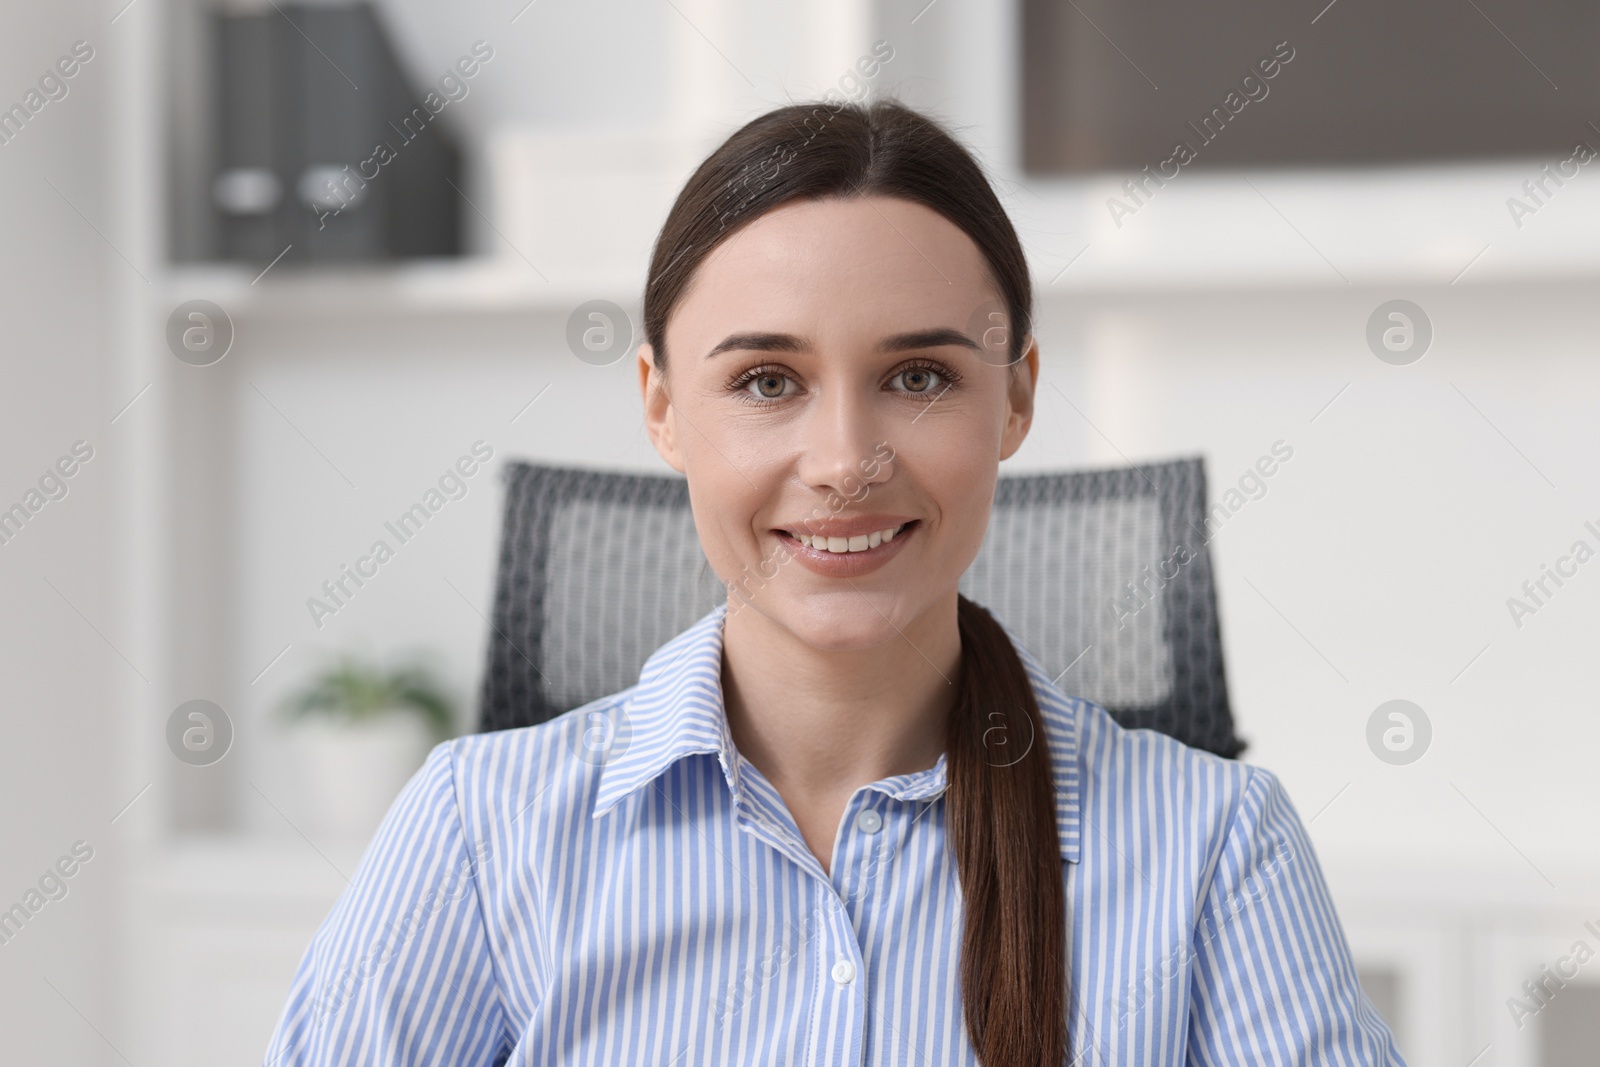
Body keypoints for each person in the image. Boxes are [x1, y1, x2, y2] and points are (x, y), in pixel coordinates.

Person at [262, 99, 1406, 1066]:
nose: (847, 459)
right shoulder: (480, 830)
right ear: (662, 406)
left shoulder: (1210, 847)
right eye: (767, 380)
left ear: (1013, 398)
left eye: (918, 374)